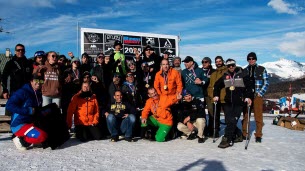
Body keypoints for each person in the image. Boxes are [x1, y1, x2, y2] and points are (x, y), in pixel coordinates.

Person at [213, 59, 252, 148]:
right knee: (229, 121)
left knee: (233, 120)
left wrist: (248, 96)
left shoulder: (242, 73)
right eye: (229, 66)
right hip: (228, 101)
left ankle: (227, 138)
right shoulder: (225, 75)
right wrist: (216, 95)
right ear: (227, 66)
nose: (231, 67)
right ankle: (238, 135)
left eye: (232, 65)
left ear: (235, 65)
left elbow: (249, 86)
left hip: (239, 101)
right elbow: (217, 85)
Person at [6, 74, 47, 150]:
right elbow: (9, 105)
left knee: (49, 132)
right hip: (19, 124)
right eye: (36, 80)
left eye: (41, 81)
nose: (39, 83)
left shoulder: (38, 93)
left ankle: (33, 138)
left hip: (30, 122)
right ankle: (21, 140)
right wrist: (28, 110)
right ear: (31, 81)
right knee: (42, 136)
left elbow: (36, 110)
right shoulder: (23, 92)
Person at [242, 52, 269, 143]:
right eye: (249, 59)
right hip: (247, 96)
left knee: (258, 116)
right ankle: (245, 133)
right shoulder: (245, 70)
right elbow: (242, 84)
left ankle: (258, 135)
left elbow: (266, 83)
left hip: (257, 95)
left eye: (253, 58)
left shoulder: (261, 69)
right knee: (246, 115)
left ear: (256, 59)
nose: (251, 60)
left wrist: (260, 93)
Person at [207, 56, 227, 137]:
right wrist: (212, 96)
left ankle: (230, 132)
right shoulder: (213, 74)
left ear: (222, 61)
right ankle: (216, 131)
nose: (218, 63)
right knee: (216, 116)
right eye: (217, 61)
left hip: (225, 98)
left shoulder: (227, 71)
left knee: (228, 117)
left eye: (219, 61)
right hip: (215, 99)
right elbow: (210, 87)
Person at [201, 57, 216, 136]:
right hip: (201, 94)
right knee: (202, 113)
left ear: (209, 63)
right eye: (203, 62)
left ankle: (211, 129)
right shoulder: (199, 71)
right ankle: (203, 129)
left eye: (206, 62)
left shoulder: (213, 71)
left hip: (210, 95)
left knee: (211, 113)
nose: (204, 63)